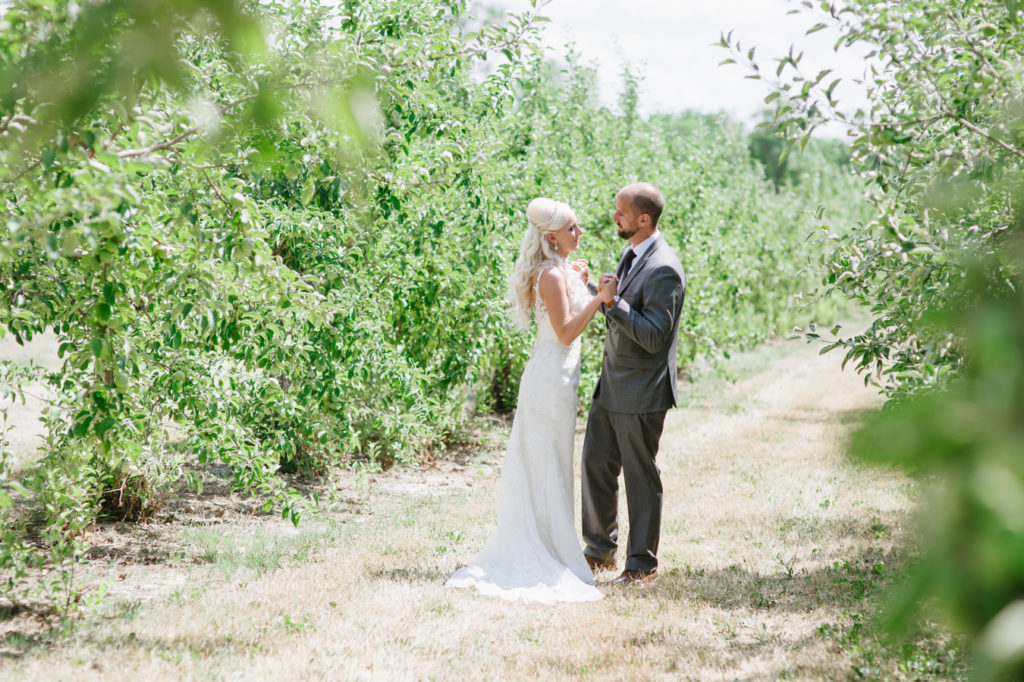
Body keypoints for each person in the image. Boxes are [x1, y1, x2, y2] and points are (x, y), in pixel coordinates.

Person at [446, 197, 617, 604]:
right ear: (551, 236)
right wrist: (599, 299)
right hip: (548, 382)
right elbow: (564, 333)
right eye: (573, 228)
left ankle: (556, 543)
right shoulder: (550, 276)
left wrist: (584, 282)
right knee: (547, 463)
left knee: (553, 461)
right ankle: (548, 549)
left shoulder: (560, 272)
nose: (580, 233)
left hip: (558, 379)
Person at [581, 182, 686, 585]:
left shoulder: (664, 268)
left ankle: (641, 565)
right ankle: (599, 551)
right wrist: (594, 288)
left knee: (640, 478)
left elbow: (655, 335)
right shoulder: (633, 253)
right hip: (611, 385)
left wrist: (613, 302)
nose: (614, 218)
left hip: (641, 391)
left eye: (621, 213)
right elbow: (621, 309)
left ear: (644, 220)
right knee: (595, 464)